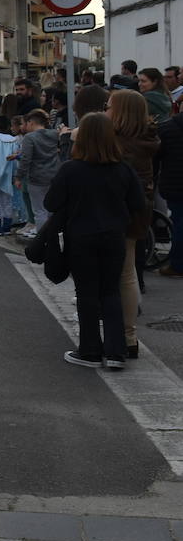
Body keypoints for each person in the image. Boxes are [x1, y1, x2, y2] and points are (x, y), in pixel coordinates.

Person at [43, 112, 146, 369]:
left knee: (87, 293)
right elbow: (138, 204)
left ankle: (89, 350)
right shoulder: (123, 169)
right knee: (110, 291)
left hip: (81, 237)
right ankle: (115, 352)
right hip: (113, 237)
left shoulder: (71, 169)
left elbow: (51, 203)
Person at [106, 89, 159, 360]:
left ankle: (118, 336)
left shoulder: (117, 142)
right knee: (127, 272)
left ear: (121, 112)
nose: (106, 111)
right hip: (139, 210)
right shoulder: (146, 138)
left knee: (112, 275)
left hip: (114, 212)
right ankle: (129, 336)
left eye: (109, 107)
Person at [15, 109, 62, 237]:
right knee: (51, 209)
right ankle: (54, 236)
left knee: (39, 210)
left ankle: (43, 239)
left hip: (36, 177)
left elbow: (26, 159)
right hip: (54, 175)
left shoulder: (29, 138)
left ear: (31, 122)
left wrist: (19, 177)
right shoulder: (54, 134)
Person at [155, 108, 183, 277]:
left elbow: (156, 158)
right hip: (174, 184)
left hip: (174, 185)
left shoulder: (166, 128)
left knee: (179, 223)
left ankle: (178, 265)